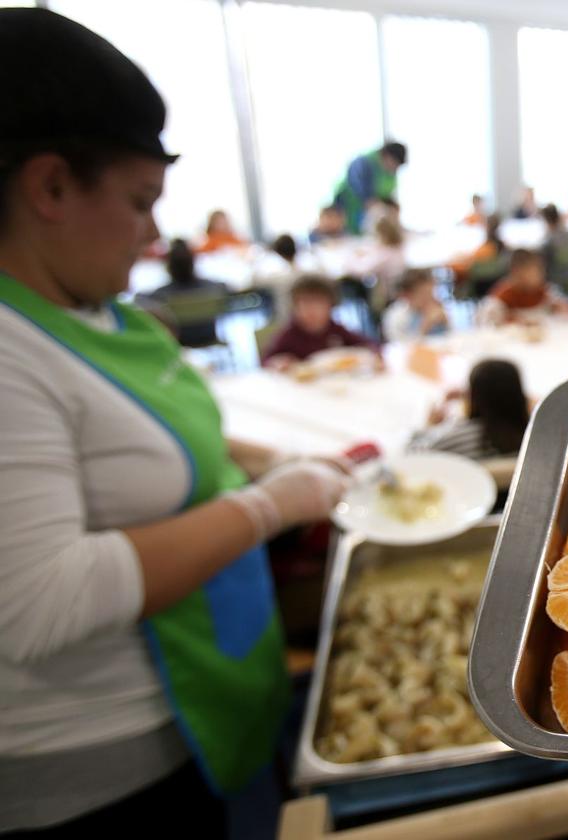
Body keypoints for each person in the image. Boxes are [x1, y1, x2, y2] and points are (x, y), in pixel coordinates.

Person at [0, 10, 353, 835]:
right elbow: (40, 601)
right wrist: (270, 505)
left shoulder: (98, 312)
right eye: (138, 202)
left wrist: (270, 459)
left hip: (211, 681)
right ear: (49, 186)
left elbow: (144, 444)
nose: (156, 234)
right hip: (102, 775)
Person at [411, 360, 530, 459]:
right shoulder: (533, 435)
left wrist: (429, 425)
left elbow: (413, 457)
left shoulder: (458, 438)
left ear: (474, 396)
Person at [261, 275, 375, 368]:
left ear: (331, 305)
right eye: (305, 304)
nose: (312, 311)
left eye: (318, 303)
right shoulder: (289, 334)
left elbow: (366, 344)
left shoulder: (335, 329)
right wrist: (278, 363)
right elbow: (267, 361)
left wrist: (373, 354)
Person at [141, 239, 228, 346]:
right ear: (193, 262)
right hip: (209, 337)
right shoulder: (213, 287)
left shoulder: (161, 295)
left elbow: (140, 300)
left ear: (169, 267)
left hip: (179, 342)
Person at [478, 249, 568, 326]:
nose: (538, 277)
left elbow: (561, 304)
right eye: (531, 273)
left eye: (539, 272)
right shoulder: (503, 295)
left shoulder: (545, 290)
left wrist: (559, 307)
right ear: (515, 273)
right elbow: (486, 319)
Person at [331, 141, 407, 235]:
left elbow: (386, 196)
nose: (393, 168)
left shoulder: (389, 173)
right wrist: (380, 209)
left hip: (367, 215)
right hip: (348, 208)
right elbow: (365, 195)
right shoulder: (363, 163)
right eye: (393, 163)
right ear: (386, 156)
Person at [382, 269, 448, 342]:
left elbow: (450, 337)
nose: (430, 298)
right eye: (423, 295)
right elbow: (400, 347)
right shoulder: (396, 316)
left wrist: (445, 321)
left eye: (431, 293)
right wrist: (425, 327)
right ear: (406, 295)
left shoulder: (436, 308)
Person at [450, 213, 507, 293]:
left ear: (487, 227)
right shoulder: (502, 246)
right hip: (496, 285)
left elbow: (470, 262)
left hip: (479, 284)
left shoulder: (485, 249)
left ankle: (456, 292)